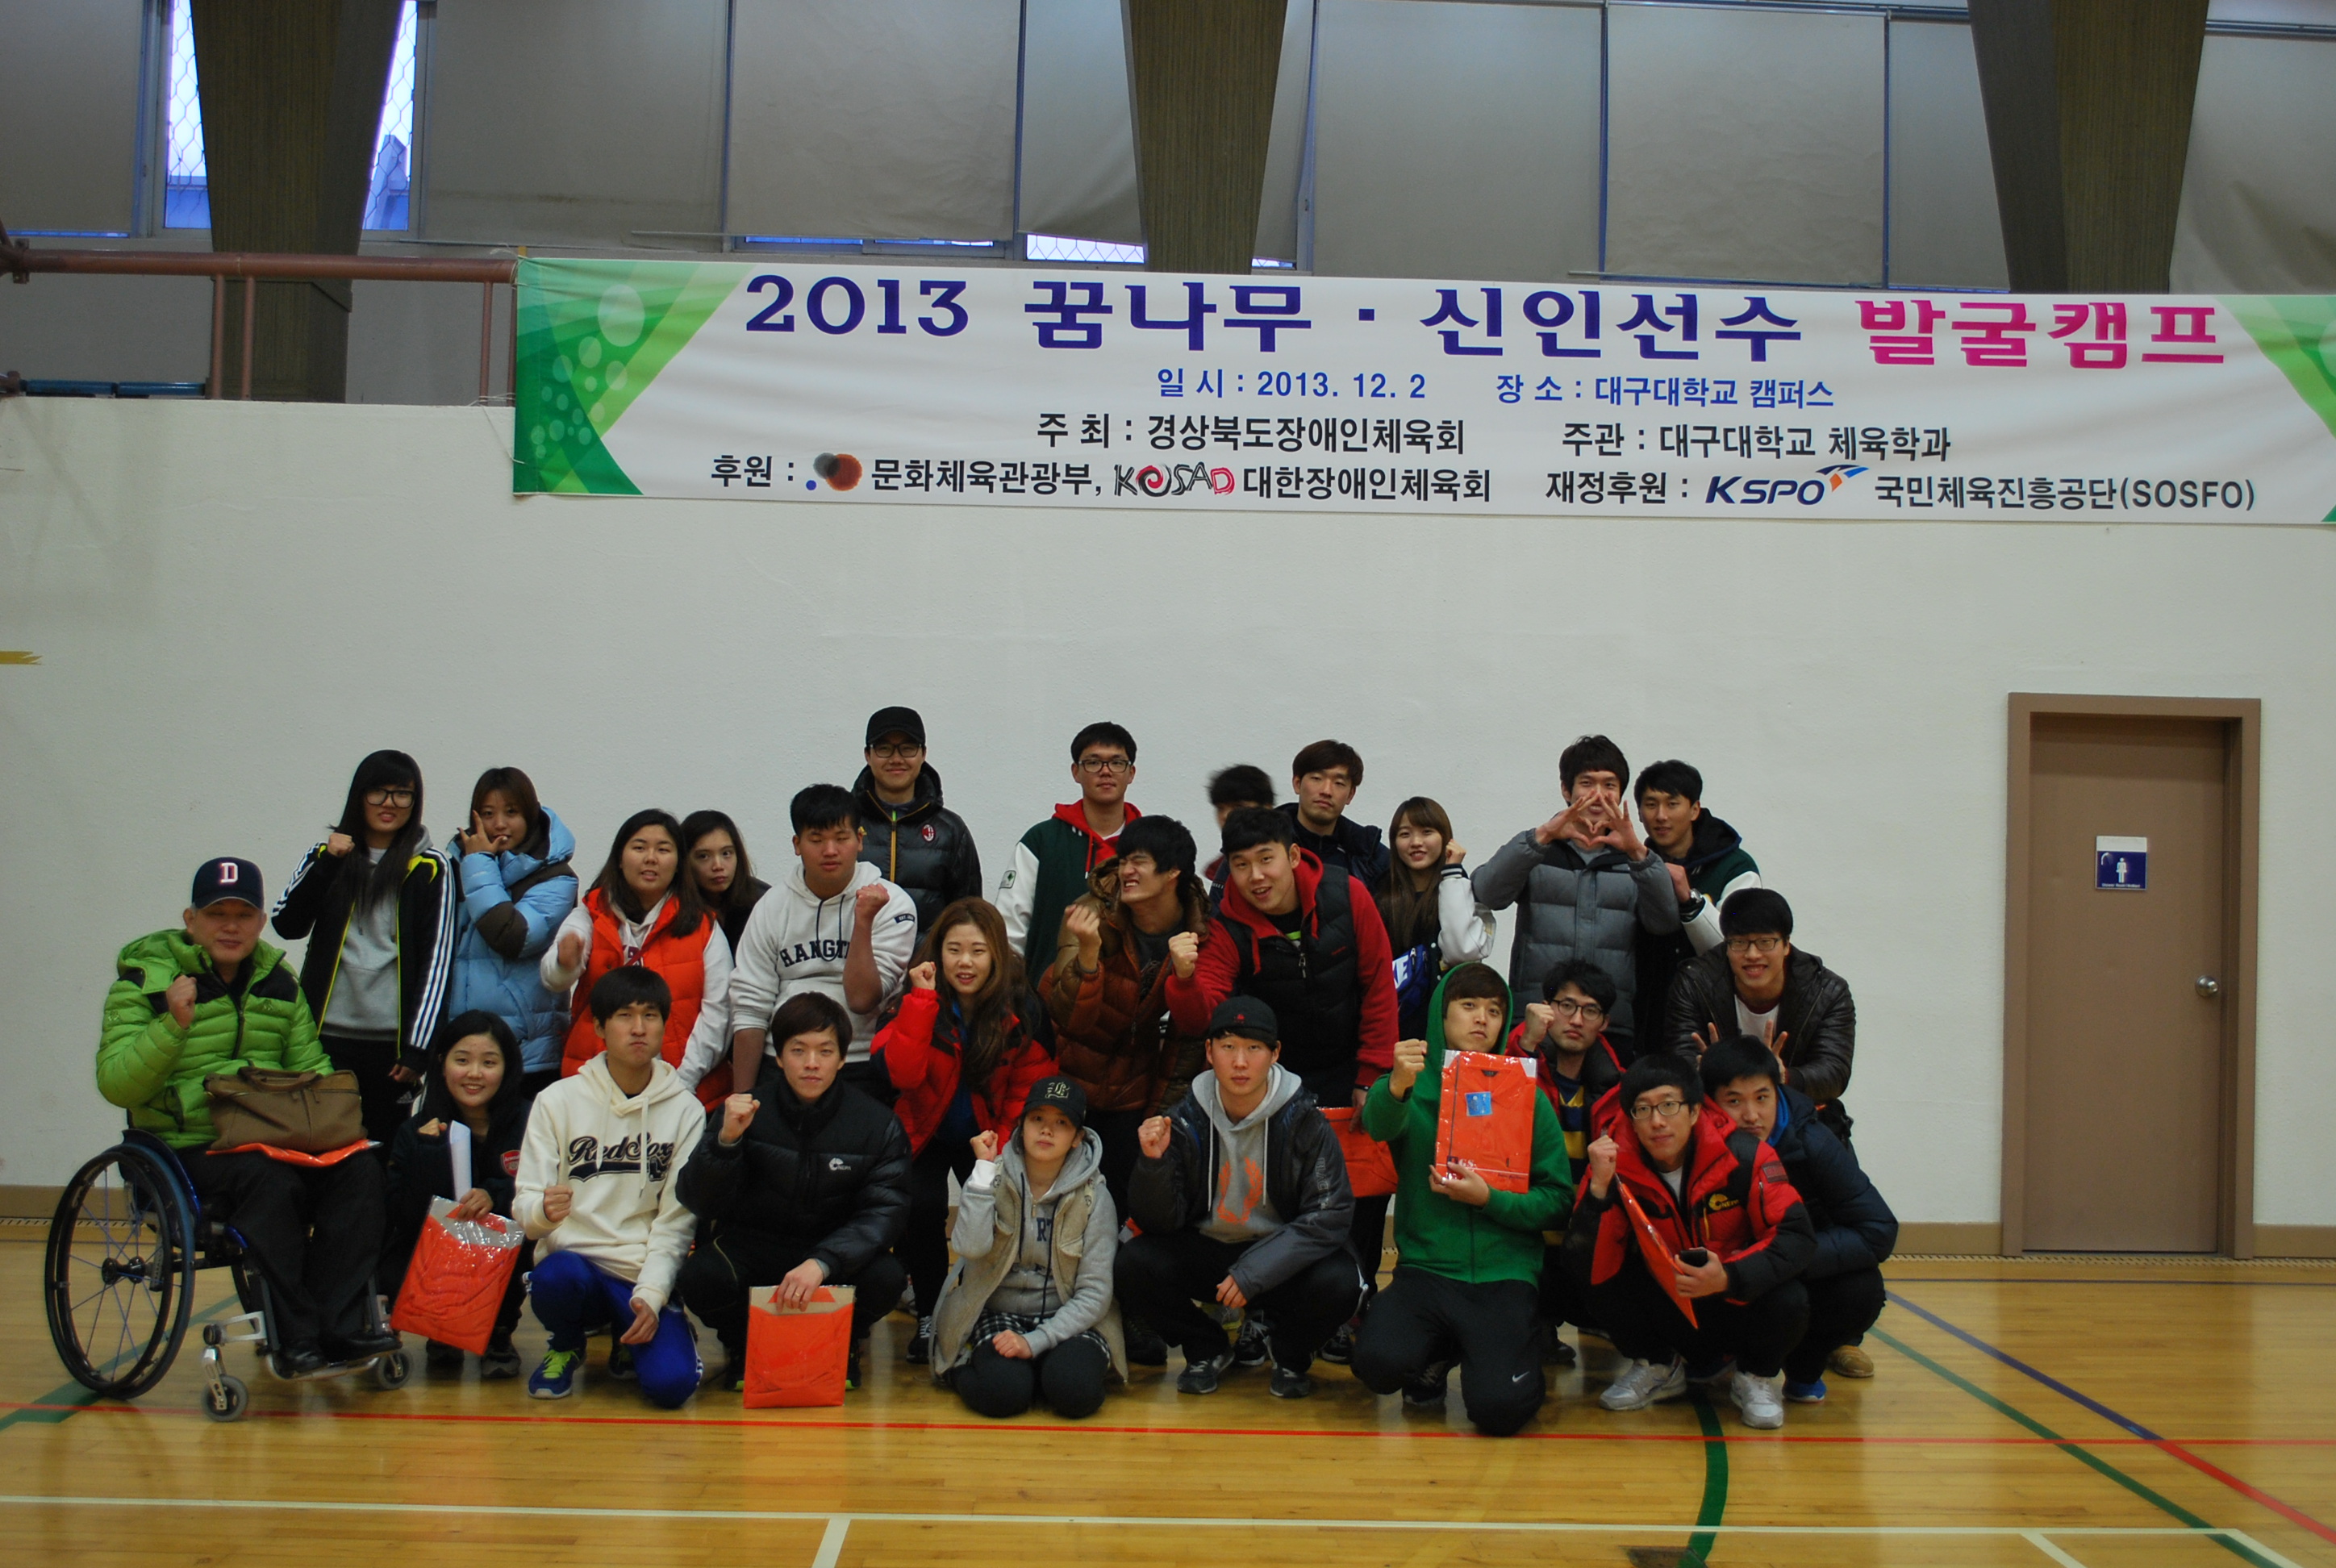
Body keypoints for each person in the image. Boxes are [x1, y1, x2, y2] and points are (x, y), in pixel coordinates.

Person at [99, 858, 390, 1375]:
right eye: (217, 914)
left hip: (271, 1136)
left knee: (361, 1170)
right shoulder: (145, 983)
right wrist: (172, 1026)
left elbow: (311, 1068)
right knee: (269, 1179)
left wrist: (338, 1128)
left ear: (259, 922)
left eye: (243, 915)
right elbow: (116, 1083)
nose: (230, 926)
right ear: (191, 920)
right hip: (186, 1146)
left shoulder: (279, 981)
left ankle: (339, 1325)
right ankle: (296, 1339)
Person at [1170, 807, 1398, 1340]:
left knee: (1362, 1193)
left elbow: (1378, 986)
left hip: (1350, 1068)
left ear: (1293, 856)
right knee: (1278, 1196)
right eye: (1241, 864)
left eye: (1266, 859)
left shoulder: (1348, 895)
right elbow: (1205, 1017)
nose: (1256, 876)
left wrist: (1371, 1075)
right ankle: (1266, 1311)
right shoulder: (1226, 923)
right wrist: (1182, 980)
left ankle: (1353, 1303)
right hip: (1275, 1079)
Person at [1348, 965, 1571, 1437]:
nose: (1482, 1019)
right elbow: (1379, 1125)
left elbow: (1557, 1202)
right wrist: (1396, 1084)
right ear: (1441, 1014)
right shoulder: (1411, 1086)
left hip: (1504, 1274)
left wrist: (1491, 1200)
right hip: (1426, 1270)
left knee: (1500, 1411)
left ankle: (1515, 1347)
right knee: (1377, 1363)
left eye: (1494, 1010)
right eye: (1469, 1006)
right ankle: (1439, 1351)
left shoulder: (1527, 1097)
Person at [1114, 998, 1362, 1399]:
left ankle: (1290, 1353)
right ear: (1209, 1052)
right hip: (1211, 1251)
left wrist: (1256, 1270)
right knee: (1132, 1263)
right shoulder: (1184, 1118)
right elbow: (1157, 1221)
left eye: (1253, 1048)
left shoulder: (1305, 1120)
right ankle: (1206, 1347)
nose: (1240, 1062)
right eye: (1228, 1047)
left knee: (1341, 1281)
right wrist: (1153, 1165)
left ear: (1275, 1054)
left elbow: (1329, 1215)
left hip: (1280, 1256)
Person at [677, 992, 911, 1394]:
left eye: (825, 1051)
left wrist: (823, 1262)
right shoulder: (743, 1111)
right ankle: (744, 1346)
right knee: (701, 1276)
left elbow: (885, 1212)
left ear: (842, 1058)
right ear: (780, 1057)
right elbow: (698, 1200)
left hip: (831, 1255)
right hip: (755, 1248)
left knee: (887, 1277)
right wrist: (725, 1143)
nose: (812, 1063)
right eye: (798, 1050)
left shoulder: (878, 1124)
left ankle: (842, 1344)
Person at [1565, 1054, 1814, 1430]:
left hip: (1733, 1298)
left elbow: (1796, 1236)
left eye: (1669, 1105)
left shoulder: (1747, 1154)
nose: (1657, 1121)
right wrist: (1599, 1192)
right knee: (1594, 1279)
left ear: (1695, 1111)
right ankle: (1658, 1365)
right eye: (1642, 1110)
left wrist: (1729, 1276)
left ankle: (1755, 1376)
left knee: (1790, 1297)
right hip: (1668, 1303)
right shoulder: (1613, 1163)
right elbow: (1586, 1262)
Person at [872, 898, 1056, 1364]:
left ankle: (980, 1308)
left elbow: (1028, 1091)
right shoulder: (914, 997)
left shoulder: (1023, 1008)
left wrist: (998, 1151)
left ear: (996, 953)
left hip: (989, 1134)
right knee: (923, 1207)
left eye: (977, 950)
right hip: (925, 1130)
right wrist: (921, 1002)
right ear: (938, 953)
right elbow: (901, 1075)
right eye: (954, 950)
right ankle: (930, 1314)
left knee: (996, 1210)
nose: (965, 962)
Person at [514, 966, 707, 1406]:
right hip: (575, 1264)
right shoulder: (556, 1101)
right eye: (624, 1015)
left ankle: (630, 1333)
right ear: (599, 1027)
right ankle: (566, 1344)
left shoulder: (686, 1111)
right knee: (556, 1276)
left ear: (664, 1025)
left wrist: (652, 1295)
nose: (639, 1028)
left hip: (638, 1272)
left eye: (650, 1015)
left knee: (672, 1387)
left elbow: (676, 1222)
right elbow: (526, 1206)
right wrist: (542, 1212)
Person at [271, 750, 457, 1145]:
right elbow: (286, 925)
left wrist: (417, 1049)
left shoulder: (432, 868)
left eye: (402, 794)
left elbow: (437, 963)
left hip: (390, 1048)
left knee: (381, 1151)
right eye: (378, 792)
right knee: (320, 1147)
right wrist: (328, 864)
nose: (389, 804)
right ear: (359, 796)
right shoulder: (325, 856)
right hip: (323, 1040)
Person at [1701, 1036, 1895, 1399]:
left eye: (1762, 1098)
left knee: (1862, 1289)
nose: (1751, 1115)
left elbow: (1878, 1230)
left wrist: (1783, 1257)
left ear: (1778, 1092)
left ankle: (1805, 1366)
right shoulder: (1693, 1143)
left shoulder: (1813, 1139)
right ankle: (1713, 1355)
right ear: (1710, 1102)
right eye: (1734, 1101)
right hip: (1724, 1278)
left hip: (1797, 1267)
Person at [1040, 815, 1212, 1215]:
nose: (1126, 871)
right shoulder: (1091, 915)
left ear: (1173, 872)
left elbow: (1188, 1042)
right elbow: (1070, 1018)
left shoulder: (1200, 933)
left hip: (1136, 1090)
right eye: (1123, 861)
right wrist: (1087, 955)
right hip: (1071, 1078)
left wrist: (1161, 1119)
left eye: (1139, 862)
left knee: (1124, 1205)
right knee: (1060, 1207)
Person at [1473, 734, 1683, 1057]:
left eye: (1609, 785)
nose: (1598, 795)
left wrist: (1638, 853)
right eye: (1587, 783)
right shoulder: (1538, 850)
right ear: (1566, 790)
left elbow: (1664, 922)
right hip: (1537, 1017)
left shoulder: (1637, 861)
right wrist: (1542, 836)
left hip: (1610, 1022)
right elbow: (1487, 893)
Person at [930, 1076, 1125, 1419]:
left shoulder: (1095, 1196)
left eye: (1061, 1123)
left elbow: (1095, 1293)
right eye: (1038, 1119)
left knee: (1076, 1393)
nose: (1047, 1130)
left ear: (1077, 1138)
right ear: (1021, 1126)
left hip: (1070, 1319)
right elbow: (969, 1248)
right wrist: (981, 1173)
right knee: (1004, 1394)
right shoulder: (992, 1177)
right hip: (1000, 1314)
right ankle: (970, 1367)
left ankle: (1042, 1371)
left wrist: (1037, 1341)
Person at [726, 784, 918, 1099]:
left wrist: (863, 921)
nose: (830, 850)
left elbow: (862, 999)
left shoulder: (892, 904)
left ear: (860, 840)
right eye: (816, 840)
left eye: (841, 838)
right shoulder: (772, 906)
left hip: (860, 1061)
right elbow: (750, 1007)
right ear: (797, 844)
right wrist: (742, 1099)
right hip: (783, 1060)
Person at [379, 1011, 533, 1379]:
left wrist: (495, 1194)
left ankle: (498, 1332)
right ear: (441, 1064)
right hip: (438, 1253)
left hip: (504, 1249)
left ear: (508, 1068)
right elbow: (402, 1215)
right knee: (389, 1260)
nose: (474, 1073)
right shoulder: (417, 1129)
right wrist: (429, 1155)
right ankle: (441, 1326)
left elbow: (544, 1188)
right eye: (462, 1060)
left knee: (523, 1227)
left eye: (489, 1063)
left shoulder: (532, 1120)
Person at [543, 809, 732, 1102]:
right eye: (639, 848)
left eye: (663, 849)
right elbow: (555, 979)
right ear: (620, 858)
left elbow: (719, 1012)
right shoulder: (591, 913)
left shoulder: (703, 926)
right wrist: (564, 963)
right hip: (594, 1088)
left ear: (679, 863)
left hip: (683, 1089)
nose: (651, 858)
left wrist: (680, 1083)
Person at [1666, 888, 1858, 1141]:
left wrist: (1784, 1077)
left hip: (1802, 1122)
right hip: (1717, 1123)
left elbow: (1834, 1073)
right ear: (1726, 945)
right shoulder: (1694, 983)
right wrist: (1705, 1072)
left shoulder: (1827, 992)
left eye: (1765, 942)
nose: (1753, 955)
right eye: (1739, 943)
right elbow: (1680, 1060)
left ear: (1786, 945)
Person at [444, 767, 579, 1095]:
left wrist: (479, 863)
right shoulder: (456, 869)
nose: (499, 824)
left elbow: (513, 937)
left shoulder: (556, 877)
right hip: (463, 1051)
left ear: (530, 815)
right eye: (488, 814)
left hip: (528, 1054)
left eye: (511, 812)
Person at [1632, 760, 1761, 1053]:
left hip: (1712, 1024)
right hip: (1646, 1023)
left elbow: (1737, 948)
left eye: (1672, 804)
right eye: (1651, 805)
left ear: (1694, 809)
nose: (1661, 816)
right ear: (1639, 813)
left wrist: (1689, 898)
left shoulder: (1736, 868)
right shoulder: (1635, 865)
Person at [998, 722, 1141, 965]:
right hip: (1048, 985)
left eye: (1117, 762)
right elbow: (1009, 932)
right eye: (1093, 762)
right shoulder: (1041, 841)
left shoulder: (1151, 844)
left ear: (1131, 773)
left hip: (1132, 987)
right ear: (1076, 772)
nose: (1106, 771)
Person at [1376, 795, 1496, 1041]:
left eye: (1427, 832)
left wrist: (1452, 873)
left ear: (1446, 838)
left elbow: (1461, 951)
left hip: (1447, 1031)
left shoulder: (1462, 889)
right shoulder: (1380, 894)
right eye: (1405, 834)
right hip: (1393, 1028)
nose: (1416, 843)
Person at [854, 705, 982, 935]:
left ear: (923, 754)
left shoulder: (951, 831)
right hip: (856, 955)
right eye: (884, 749)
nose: (896, 759)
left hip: (928, 958)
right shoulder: (845, 825)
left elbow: (969, 916)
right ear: (868, 755)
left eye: (908, 749)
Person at [1281, 739, 1391, 889]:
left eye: (1339, 783)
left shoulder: (1370, 854)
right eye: (1317, 778)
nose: (1326, 791)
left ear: (1350, 795)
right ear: (1297, 783)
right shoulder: (1265, 839)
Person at [683, 810, 770, 957]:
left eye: (726, 854)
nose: (718, 866)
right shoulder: (674, 908)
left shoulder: (763, 902)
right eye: (704, 856)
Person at [1202, 763, 1276, 890]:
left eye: (1238, 807)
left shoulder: (1292, 860)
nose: (1225, 815)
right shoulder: (1219, 870)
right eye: (1220, 808)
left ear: (1267, 808)